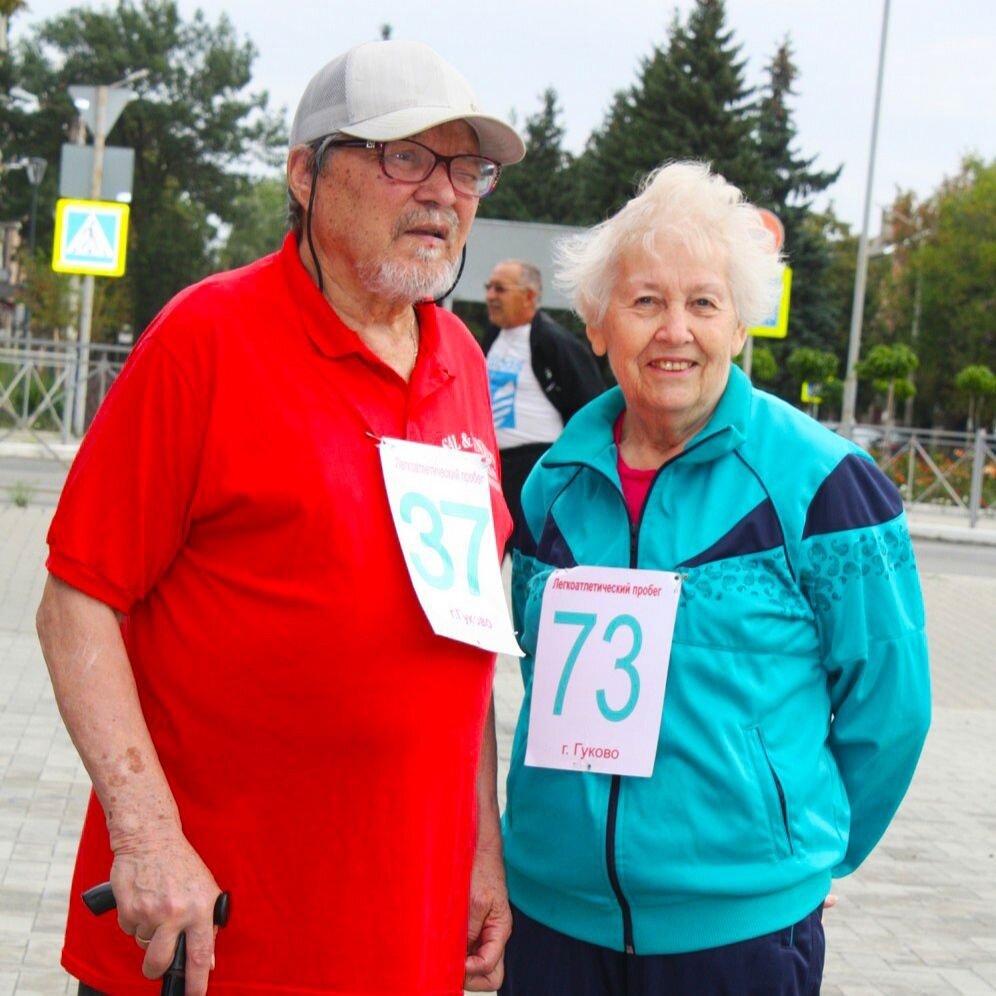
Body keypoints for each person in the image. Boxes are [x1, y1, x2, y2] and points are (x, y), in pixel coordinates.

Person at [36, 38, 525, 996]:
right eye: (403, 157)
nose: (442, 192)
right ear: (305, 174)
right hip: (211, 936)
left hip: (401, 935)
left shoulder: (462, 362)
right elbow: (75, 602)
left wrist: (480, 854)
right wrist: (147, 838)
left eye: (467, 166)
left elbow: (461, 636)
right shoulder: (206, 340)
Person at [499, 161, 931, 995]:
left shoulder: (825, 482)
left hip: (738, 938)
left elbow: (893, 705)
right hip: (552, 921)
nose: (674, 330)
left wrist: (803, 853)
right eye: (646, 301)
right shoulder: (552, 482)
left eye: (703, 302)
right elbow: (537, 662)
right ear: (596, 325)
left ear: (740, 327)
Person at [481, 259, 604, 552]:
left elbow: (591, 404)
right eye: (489, 288)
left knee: (533, 555)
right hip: (493, 465)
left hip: (535, 466)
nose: (490, 296)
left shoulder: (553, 341)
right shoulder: (493, 336)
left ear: (529, 297)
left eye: (500, 289)